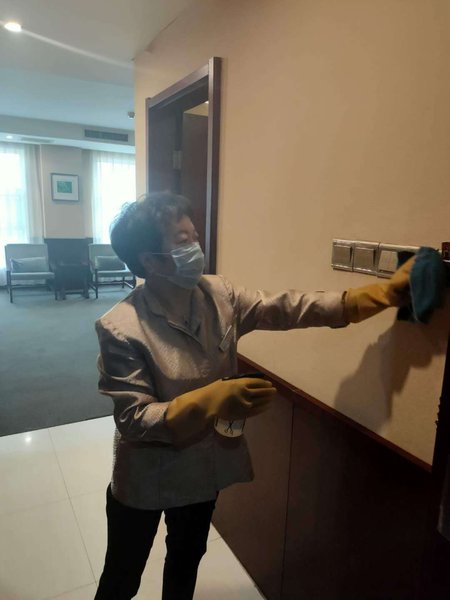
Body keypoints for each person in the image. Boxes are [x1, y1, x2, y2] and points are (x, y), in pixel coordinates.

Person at [94, 191, 413, 600]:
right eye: (182, 240)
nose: (196, 248)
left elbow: (286, 307)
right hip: (145, 472)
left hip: (201, 466)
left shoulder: (219, 295)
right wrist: (209, 400)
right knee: (122, 574)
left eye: (195, 236)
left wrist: (374, 297)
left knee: (186, 559)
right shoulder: (120, 328)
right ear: (150, 261)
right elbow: (133, 420)